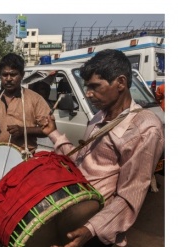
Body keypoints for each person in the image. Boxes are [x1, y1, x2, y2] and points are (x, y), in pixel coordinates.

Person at [37, 49, 164, 247]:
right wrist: (53, 133)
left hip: (97, 231)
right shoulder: (99, 116)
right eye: (87, 86)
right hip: (75, 214)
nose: (88, 94)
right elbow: (82, 160)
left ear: (121, 83)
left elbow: (130, 195)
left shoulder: (144, 128)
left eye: (95, 86)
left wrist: (90, 229)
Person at [0, 53, 51, 155]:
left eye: (13, 74)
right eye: (4, 75)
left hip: (24, 158)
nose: (8, 79)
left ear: (22, 75)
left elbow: (49, 129)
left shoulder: (35, 99)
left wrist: (24, 131)